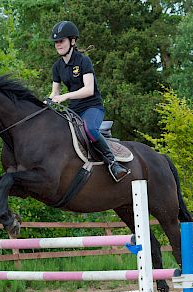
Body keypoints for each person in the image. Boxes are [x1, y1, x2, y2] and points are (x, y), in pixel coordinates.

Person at [49, 21, 130, 182]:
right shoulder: (57, 67)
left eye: (61, 41)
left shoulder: (83, 61)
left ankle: (113, 163)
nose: (58, 45)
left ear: (72, 41)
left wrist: (65, 97)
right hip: (73, 110)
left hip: (92, 107)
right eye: (56, 42)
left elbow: (89, 89)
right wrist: (47, 102)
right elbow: (55, 92)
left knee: (89, 129)